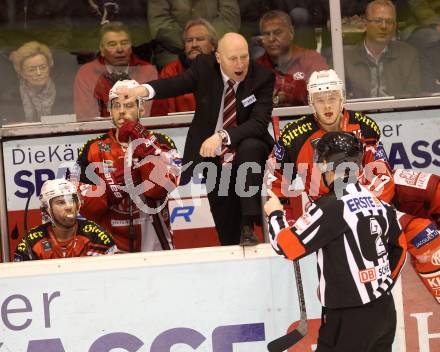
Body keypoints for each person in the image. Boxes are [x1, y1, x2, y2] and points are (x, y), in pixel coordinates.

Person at [271, 69, 440, 303]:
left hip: (370, 201)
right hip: (331, 212)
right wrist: (284, 216)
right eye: (320, 100)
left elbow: (382, 175)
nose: (327, 105)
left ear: (342, 99)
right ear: (311, 102)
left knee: (430, 205)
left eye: (332, 98)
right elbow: (276, 182)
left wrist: (365, 202)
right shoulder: (293, 137)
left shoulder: (365, 126)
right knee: (421, 232)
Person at [117, 32, 275, 246]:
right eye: (233, 58)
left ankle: (249, 224)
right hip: (211, 152)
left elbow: (258, 122)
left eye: (244, 57)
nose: (240, 64)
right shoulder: (204, 67)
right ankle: (231, 244)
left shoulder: (262, 76)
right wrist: (143, 90)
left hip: (247, 144)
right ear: (219, 57)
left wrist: (222, 136)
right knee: (225, 222)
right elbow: (176, 84)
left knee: (249, 147)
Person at [265, 131, 407, 351]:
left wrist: (275, 215)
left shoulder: (329, 206)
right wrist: (381, 284)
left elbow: (287, 247)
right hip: (384, 311)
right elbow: (401, 247)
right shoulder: (379, 203)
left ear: (324, 165)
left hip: (349, 317)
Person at [74, 79, 180, 252]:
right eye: (116, 106)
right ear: (109, 110)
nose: (122, 111)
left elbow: (161, 189)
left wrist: (146, 149)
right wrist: (109, 191)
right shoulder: (92, 148)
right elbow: (81, 205)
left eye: (129, 105)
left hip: (155, 243)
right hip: (108, 246)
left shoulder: (162, 143)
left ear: (142, 108)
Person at [14, 178, 117, 261]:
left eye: (72, 200)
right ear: (46, 209)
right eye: (61, 202)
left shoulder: (97, 236)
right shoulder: (31, 242)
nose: (69, 207)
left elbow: (111, 280)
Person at [73, 22, 158, 121]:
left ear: (131, 48)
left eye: (124, 43)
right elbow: (86, 119)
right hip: (102, 133)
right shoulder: (87, 73)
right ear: (102, 50)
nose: (120, 49)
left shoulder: (147, 70)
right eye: (112, 44)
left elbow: (153, 116)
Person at [343, 0, 421, 99]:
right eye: (377, 21)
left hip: (398, 112)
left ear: (395, 26)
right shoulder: (345, 57)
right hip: (358, 114)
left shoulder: (408, 54)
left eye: (389, 22)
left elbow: (413, 97)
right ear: (365, 24)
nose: (383, 26)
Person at [255, 10, 328, 107]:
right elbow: (247, 102)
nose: (271, 39)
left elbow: (324, 96)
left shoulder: (311, 59)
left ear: (291, 33)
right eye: (266, 34)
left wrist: (288, 95)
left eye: (277, 32)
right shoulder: (257, 67)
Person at [152, 18, 218, 116]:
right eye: (189, 40)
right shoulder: (170, 71)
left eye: (200, 39)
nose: (194, 45)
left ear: (213, 45)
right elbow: (160, 118)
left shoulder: (224, 69)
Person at [147, 0, 241, 69]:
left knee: (230, 62)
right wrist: (190, 44)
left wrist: (208, 42)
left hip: (216, 45)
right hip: (174, 49)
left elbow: (229, 19)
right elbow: (159, 23)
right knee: (172, 68)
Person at [6, 41, 72, 123]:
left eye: (43, 67)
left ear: (49, 66)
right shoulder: (9, 97)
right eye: (32, 70)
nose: (39, 73)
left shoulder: (66, 94)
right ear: (22, 73)